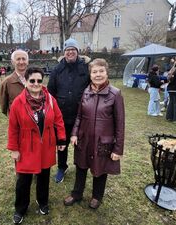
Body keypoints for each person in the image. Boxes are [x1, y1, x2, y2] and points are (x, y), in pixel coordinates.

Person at [63, 58, 125, 209]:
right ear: (90, 74)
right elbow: (79, 116)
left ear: (107, 72)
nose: (98, 75)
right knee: (81, 166)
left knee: (100, 169)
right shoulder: (86, 92)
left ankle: (97, 196)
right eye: (94, 72)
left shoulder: (115, 94)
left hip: (103, 141)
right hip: (84, 139)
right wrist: (74, 133)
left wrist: (118, 149)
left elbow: (120, 124)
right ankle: (77, 194)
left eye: (101, 71)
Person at [7, 67, 66, 224]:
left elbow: (59, 120)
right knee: (23, 181)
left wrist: (61, 140)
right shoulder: (18, 103)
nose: (36, 83)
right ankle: (20, 208)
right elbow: (13, 128)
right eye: (32, 80)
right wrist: (13, 149)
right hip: (26, 147)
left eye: (39, 80)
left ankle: (43, 202)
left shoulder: (50, 100)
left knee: (44, 177)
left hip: (46, 146)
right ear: (25, 81)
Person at [48, 38, 90, 183]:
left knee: (81, 143)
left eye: (73, 49)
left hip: (82, 115)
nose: (70, 52)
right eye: (67, 50)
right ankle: (62, 167)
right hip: (62, 116)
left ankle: (80, 166)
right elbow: (50, 92)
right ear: (64, 52)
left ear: (77, 51)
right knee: (62, 143)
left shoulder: (86, 68)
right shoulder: (57, 69)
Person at [0, 49, 29, 116]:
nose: (21, 62)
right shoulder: (7, 82)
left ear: (27, 62)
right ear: (12, 62)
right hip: (16, 122)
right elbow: (3, 105)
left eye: (24, 59)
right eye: (18, 59)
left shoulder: (35, 80)